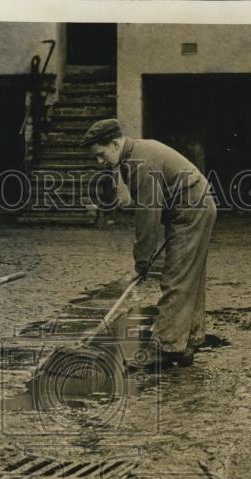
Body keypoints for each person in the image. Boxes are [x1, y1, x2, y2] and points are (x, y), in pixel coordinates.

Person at [80, 118, 217, 368]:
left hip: (191, 208)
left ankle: (166, 346)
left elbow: (148, 212)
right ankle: (186, 342)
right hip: (195, 204)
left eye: (100, 155)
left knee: (176, 278)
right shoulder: (133, 155)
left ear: (113, 144)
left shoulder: (139, 162)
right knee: (190, 277)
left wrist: (143, 258)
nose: (99, 162)